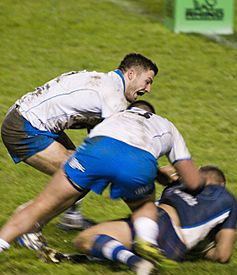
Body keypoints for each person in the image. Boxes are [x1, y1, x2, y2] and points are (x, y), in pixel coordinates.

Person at [0, 101, 205, 258]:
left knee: (40, 205)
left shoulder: (113, 116)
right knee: (144, 206)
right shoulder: (166, 125)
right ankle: (147, 241)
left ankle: (2, 242)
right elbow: (193, 182)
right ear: (152, 114)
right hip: (138, 164)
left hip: (95, 153)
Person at [1, 53, 158, 231]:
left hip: (28, 117)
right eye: (147, 81)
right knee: (79, 176)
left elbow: (98, 140)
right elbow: (117, 147)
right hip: (24, 127)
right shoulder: (114, 98)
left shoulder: (103, 81)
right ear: (130, 74)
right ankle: (29, 225)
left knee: (82, 170)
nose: (148, 89)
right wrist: (152, 175)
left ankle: (67, 217)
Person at [72, 165, 237, 275]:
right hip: (175, 249)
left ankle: (134, 262)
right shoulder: (228, 199)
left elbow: (161, 175)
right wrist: (202, 251)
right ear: (222, 184)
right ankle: (131, 258)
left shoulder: (178, 185)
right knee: (118, 240)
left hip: (159, 221)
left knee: (85, 239)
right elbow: (223, 255)